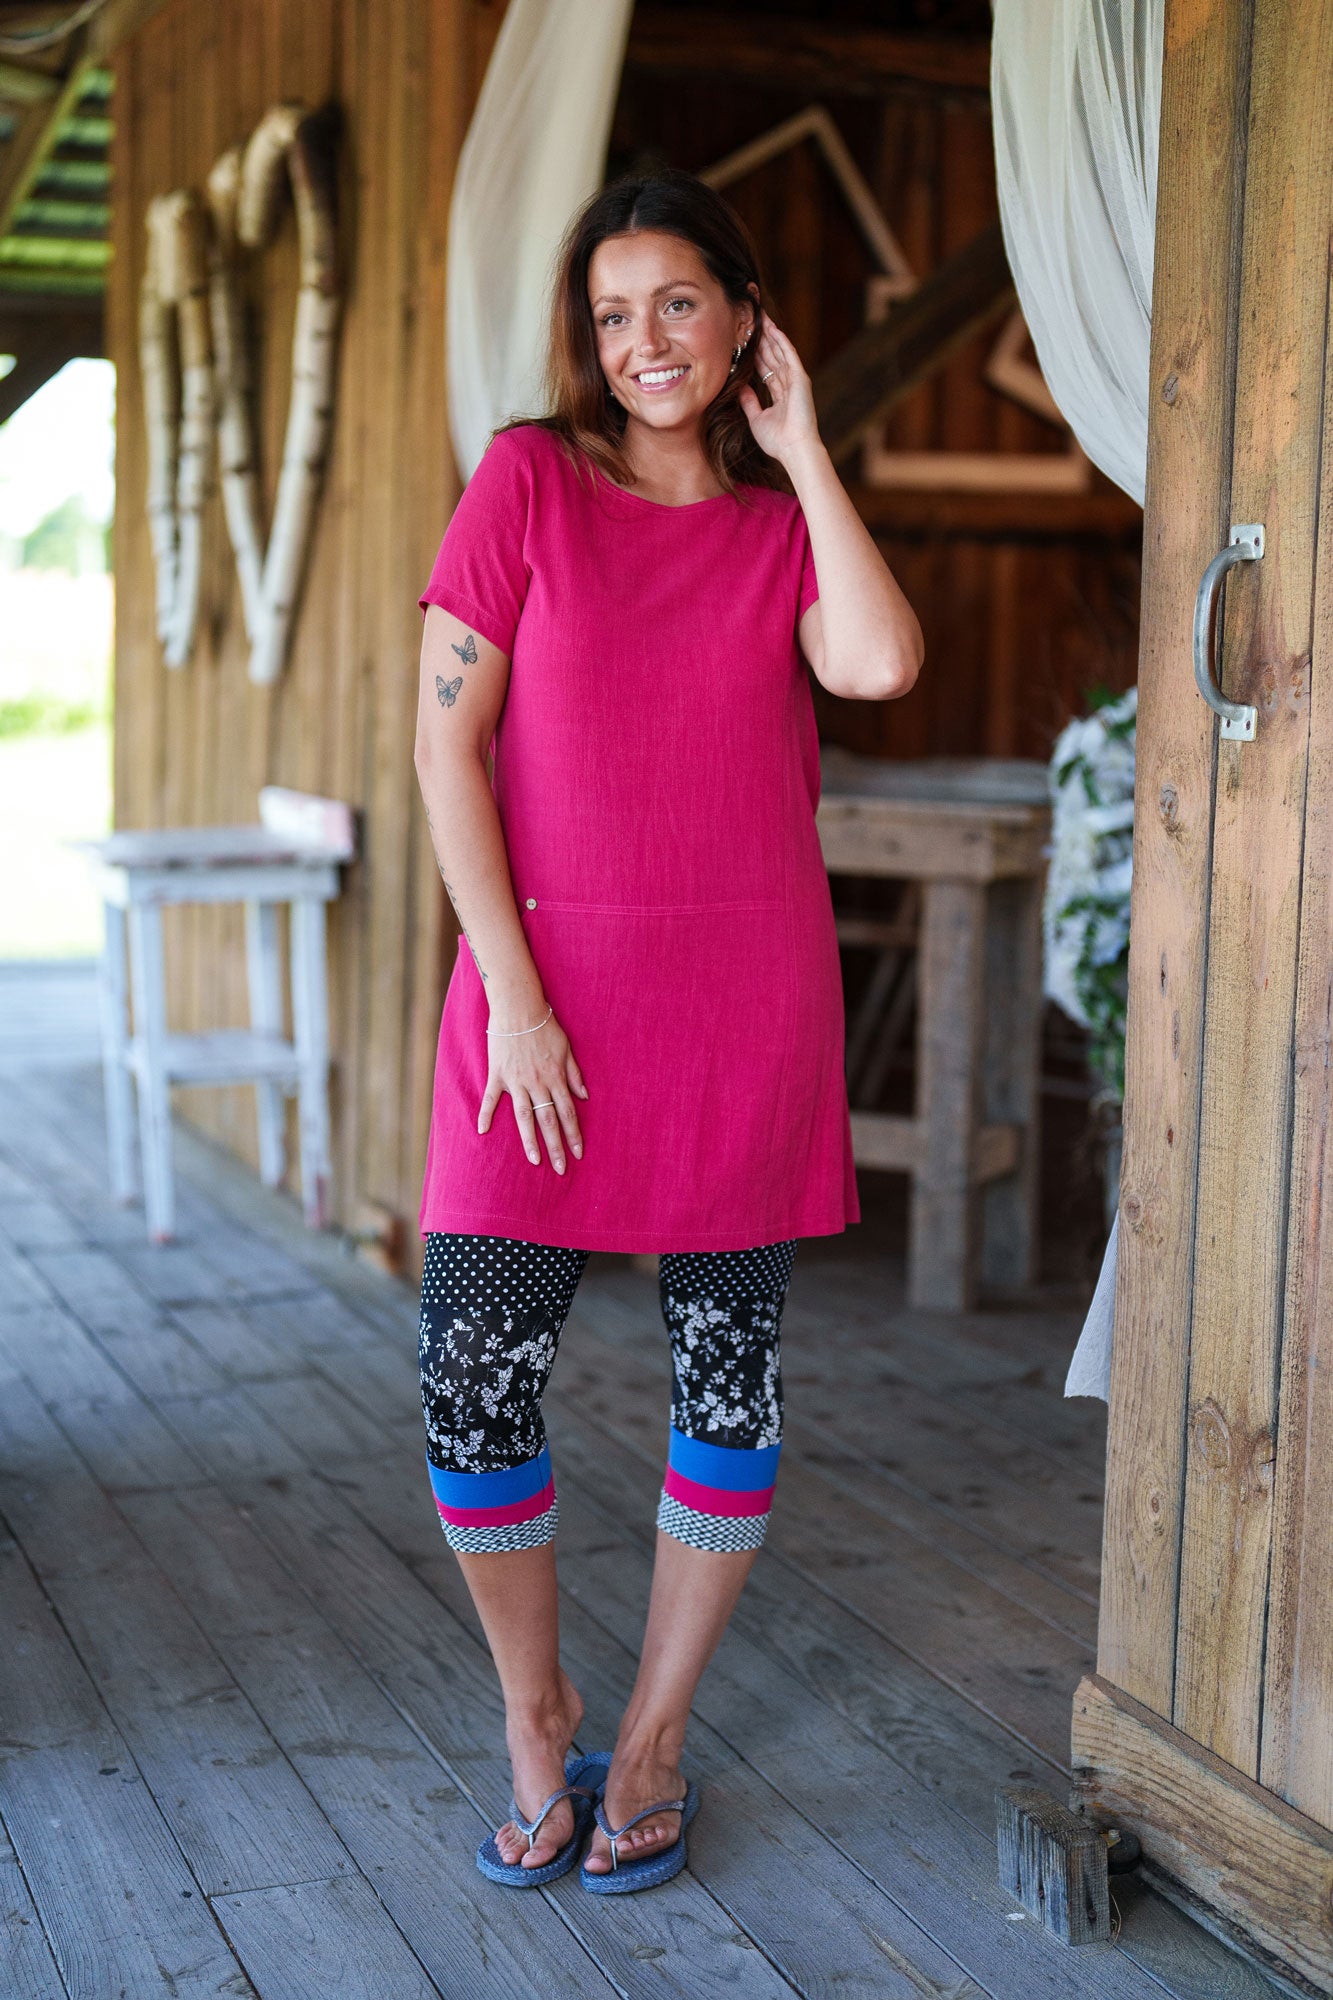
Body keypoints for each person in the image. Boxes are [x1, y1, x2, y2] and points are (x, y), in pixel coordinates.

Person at [413, 165, 921, 1893]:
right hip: (532, 1018)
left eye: (679, 305)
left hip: (735, 1016)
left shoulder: (783, 527)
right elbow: (443, 753)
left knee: (730, 1377)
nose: (644, 341)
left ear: (742, 319)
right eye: (614, 312)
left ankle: (651, 1740)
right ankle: (536, 1719)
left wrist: (808, 453)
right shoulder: (527, 482)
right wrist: (518, 1006)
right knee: (471, 1384)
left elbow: (875, 667)